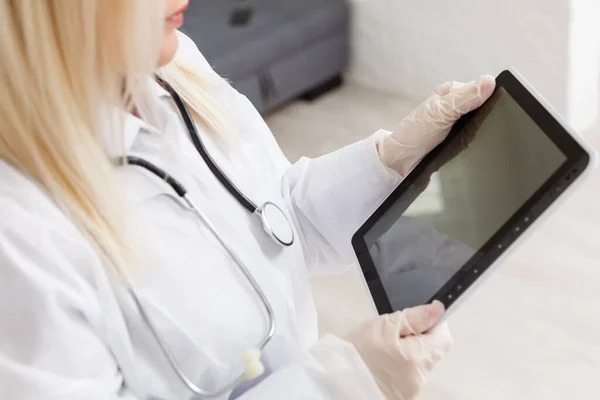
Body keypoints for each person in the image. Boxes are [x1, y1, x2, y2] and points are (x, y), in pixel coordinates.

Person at [0, 1, 495, 399]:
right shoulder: (20, 231)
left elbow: (279, 220)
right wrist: (336, 384)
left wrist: (392, 160)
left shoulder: (172, 66)